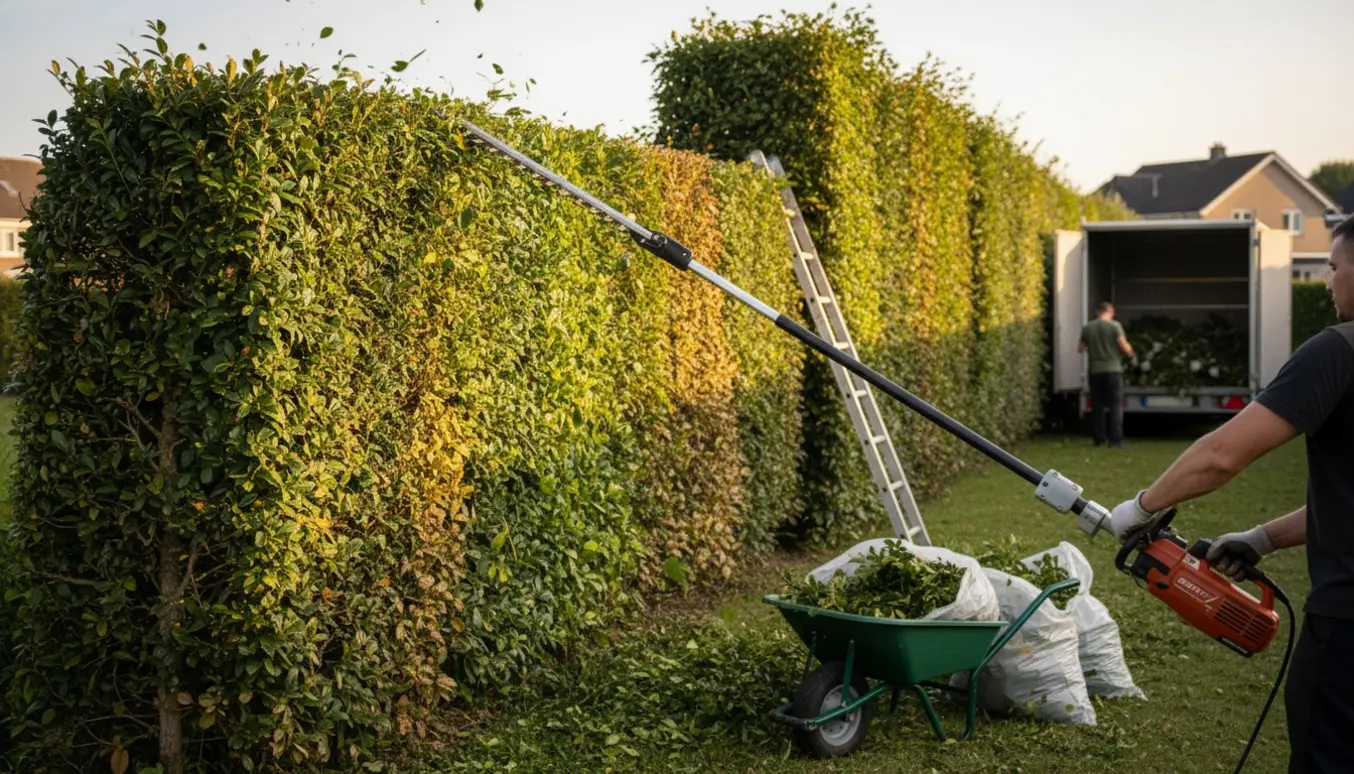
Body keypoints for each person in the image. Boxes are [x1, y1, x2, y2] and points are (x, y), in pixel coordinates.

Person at [1107, 215, 1354, 774]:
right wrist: (1261, 538)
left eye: (1335, 268)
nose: (1329, 283)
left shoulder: (1338, 350)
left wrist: (1141, 508)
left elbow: (1222, 455)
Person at [1079, 301, 1134, 447]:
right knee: (1115, 405)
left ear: (1098, 312)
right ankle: (1115, 440)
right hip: (1113, 369)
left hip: (1095, 370)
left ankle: (1099, 438)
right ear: (1111, 312)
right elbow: (1123, 346)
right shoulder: (1115, 326)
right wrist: (1130, 353)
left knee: (1097, 405)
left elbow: (1080, 348)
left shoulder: (1088, 327)